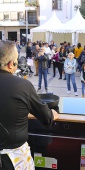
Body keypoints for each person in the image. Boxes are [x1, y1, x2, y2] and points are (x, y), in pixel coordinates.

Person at [0, 40, 58, 170]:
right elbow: (46, 118)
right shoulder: (22, 85)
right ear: (10, 64)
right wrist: (53, 114)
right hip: (13, 160)